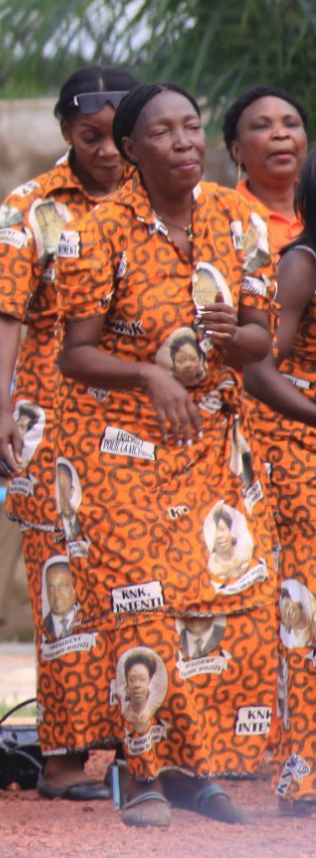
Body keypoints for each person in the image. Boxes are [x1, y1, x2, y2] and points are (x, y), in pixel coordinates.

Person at [57, 82, 277, 827]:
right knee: (140, 610)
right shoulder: (98, 231)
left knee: (209, 611)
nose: (185, 142)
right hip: (116, 448)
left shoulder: (236, 215)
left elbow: (260, 340)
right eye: (163, 132)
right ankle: (142, 771)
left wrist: (228, 334)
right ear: (129, 150)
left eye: (192, 127)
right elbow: (76, 355)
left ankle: (190, 767)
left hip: (209, 442)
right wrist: (149, 371)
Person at [0, 65, 136, 801]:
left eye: (116, 136)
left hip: (141, 429)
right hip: (53, 429)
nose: (106, 151)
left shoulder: (165, 200)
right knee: (63, 590)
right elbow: (2, 309)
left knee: (142, 588)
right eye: (89, 137)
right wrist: (1, 409)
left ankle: (147, 752)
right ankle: (69, 759)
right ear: (66, 132)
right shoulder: (31, 205)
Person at [241, 139, 316, 816]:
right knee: (309, 613)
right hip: (301, 455)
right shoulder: (301, 264)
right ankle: (305, 771)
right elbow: (260, 365)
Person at [224, 86, 308, 253]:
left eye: (291, 124)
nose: (280, 133)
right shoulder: (223, 219)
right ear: (237, 151)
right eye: (262, 126)